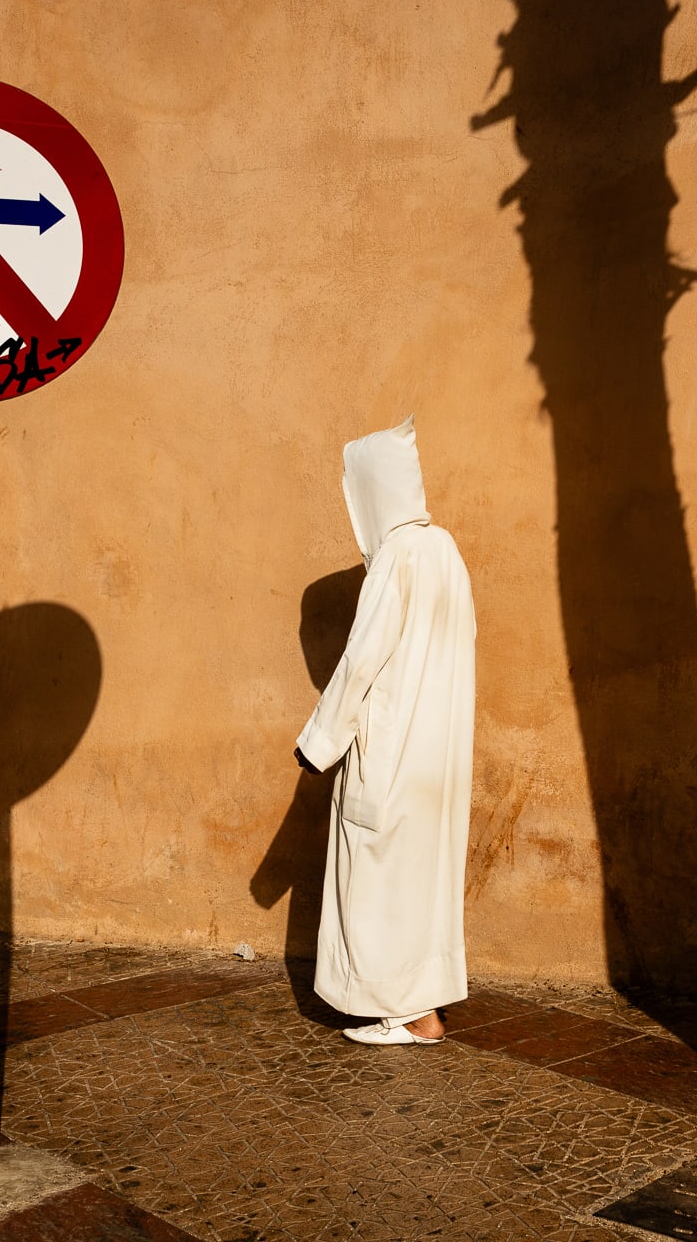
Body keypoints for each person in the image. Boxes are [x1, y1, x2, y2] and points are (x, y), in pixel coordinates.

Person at [294, 418, 476, 1045]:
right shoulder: (447, 551)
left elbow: (361, 660)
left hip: (392, 752)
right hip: (438, 757)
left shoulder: (396, 557)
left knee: (374, 880)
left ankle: (403, 1013)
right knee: (420, 882)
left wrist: (319, 742)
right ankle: (424, 1011)